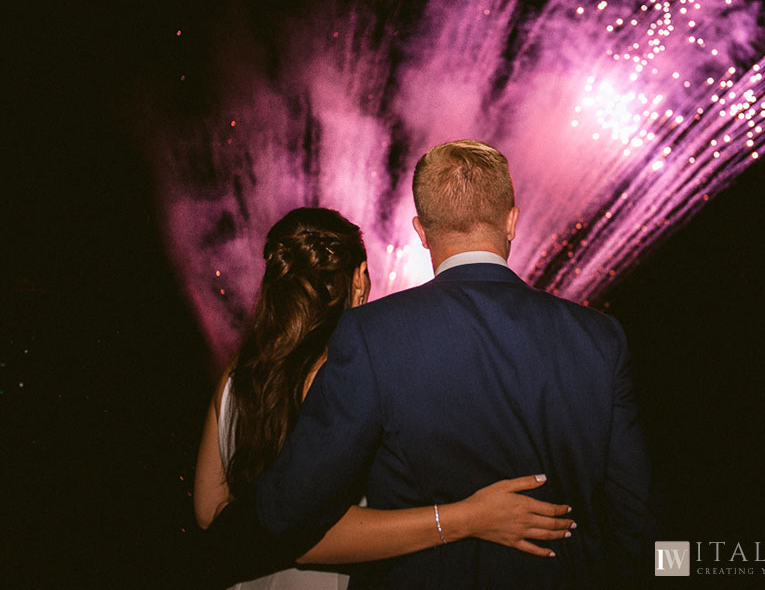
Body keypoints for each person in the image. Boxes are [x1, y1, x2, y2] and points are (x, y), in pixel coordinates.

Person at [236, 140, 657, 589]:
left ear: (421, 230)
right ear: (511, 221)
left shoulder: (370, 333)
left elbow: (288, 511)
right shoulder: (599, 337)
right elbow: (638, 517)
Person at [194, 207, 574, 588]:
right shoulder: (347, 376)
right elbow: (301, 534)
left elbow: (210, 512)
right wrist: (467, 518)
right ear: (359, 279)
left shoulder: (236, 375)